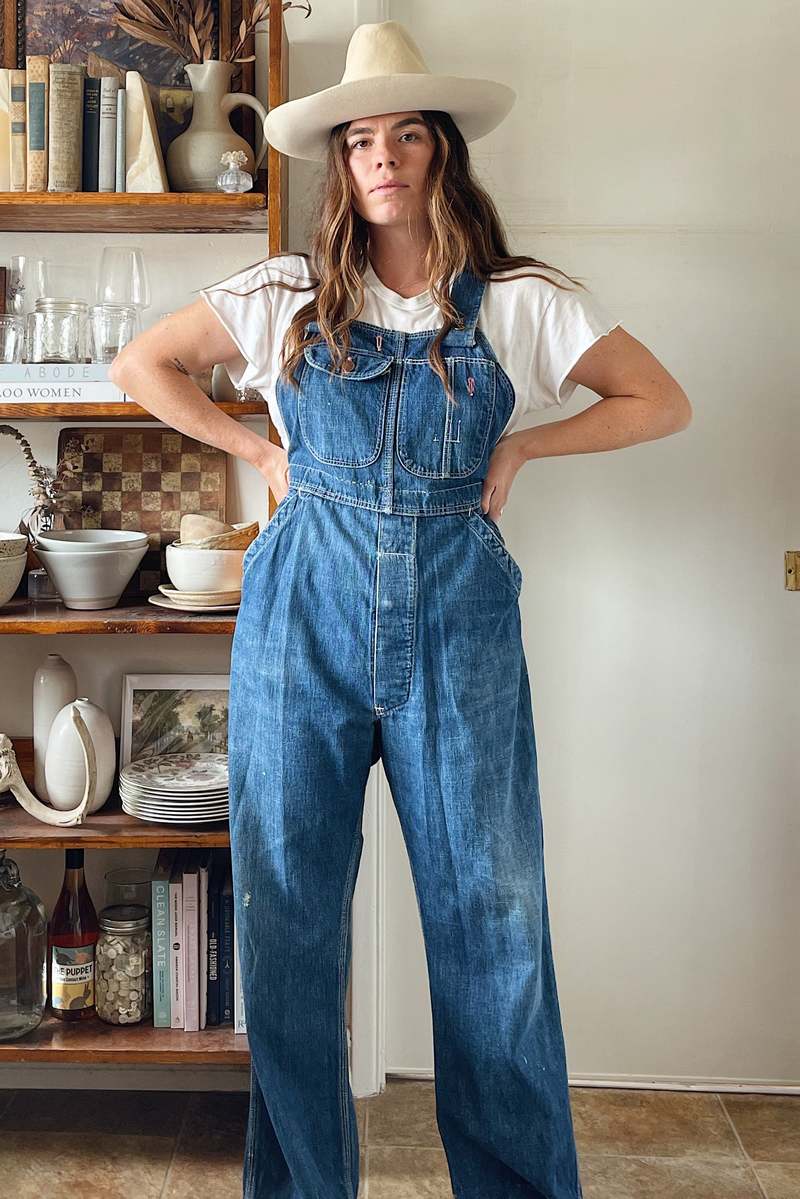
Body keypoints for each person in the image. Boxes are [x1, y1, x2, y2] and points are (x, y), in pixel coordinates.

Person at [110, 19, 691, 1199]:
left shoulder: (519, 300)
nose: (382, 157)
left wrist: (523, 447)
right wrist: (255, 449)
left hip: (456, 631)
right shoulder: (283, 293)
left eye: (406, 136)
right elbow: (140, 365)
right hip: (299, 630)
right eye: (360, 139)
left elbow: (656, 398)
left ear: (440, 152)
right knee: (288, 930)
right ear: (341, 160)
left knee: (493, 928)